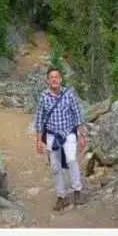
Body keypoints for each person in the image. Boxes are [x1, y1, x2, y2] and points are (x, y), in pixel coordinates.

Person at [34, 67, 86, 211]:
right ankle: (61, 197)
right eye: (51, 77)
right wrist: (38, 141)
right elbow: (39, 121)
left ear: (61, 79)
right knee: (55, 167)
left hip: (68, 132)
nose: (54, 79)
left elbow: (77, 115)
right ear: (47, 80)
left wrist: (81, 135)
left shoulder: (68, 94)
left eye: (57, 77)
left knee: (71, 160)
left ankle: (77, 191)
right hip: (52, 135)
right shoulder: (43, 97)